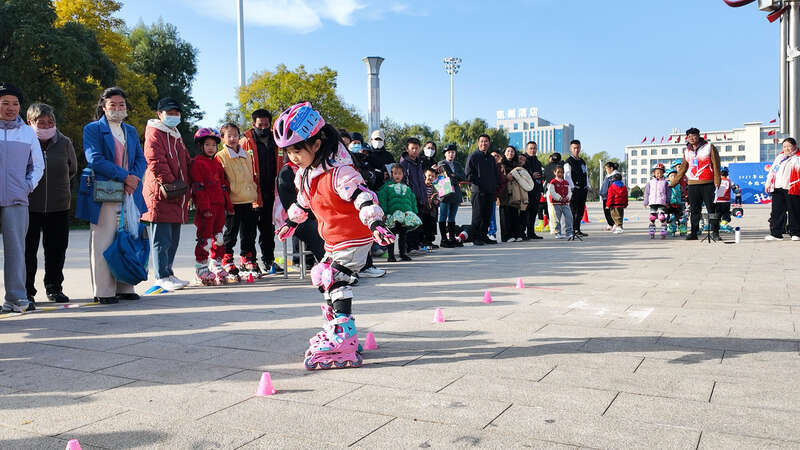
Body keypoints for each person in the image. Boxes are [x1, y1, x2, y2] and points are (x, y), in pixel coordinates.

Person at [274, 102, 394, 370]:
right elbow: (303, 203)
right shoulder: (305, 175)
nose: (293, 157)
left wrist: (376, 223)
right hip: (334, 239)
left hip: (354, 237)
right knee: (322, 277)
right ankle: (336, 328)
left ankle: (344, 338)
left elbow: (363, 197)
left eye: (297, 150)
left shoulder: (340, 173)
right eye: (288, 152)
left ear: (316, 144)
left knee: (335, 278)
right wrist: (290, 222)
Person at [76, 86, 147, 304]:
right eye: (112, 104)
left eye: (121, 104)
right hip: (105, 191)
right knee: (104, 240)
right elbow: (95, 159)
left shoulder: (131, 131)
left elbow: (141, 159)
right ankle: (104, 291)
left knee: (128, 237)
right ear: (104, 106)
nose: (117, 108)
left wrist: (134, 179)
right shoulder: (93, 129)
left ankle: (126, 286)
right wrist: (125, 177)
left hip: (130, 192)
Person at [24, 103, 77, 305]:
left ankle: (54, 288)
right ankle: (27, 290)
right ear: (30, 123)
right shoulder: (24, 141)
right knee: (28, 251)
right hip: (29, 206)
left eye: (50, 122)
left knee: (56, 250)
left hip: (58, 206)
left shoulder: (64, 142)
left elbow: (72, 169)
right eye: (41, 122)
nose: (46, 126)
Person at [0, 83, 43, 312]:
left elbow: (37, 165)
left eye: (15, 104)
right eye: (5, 103)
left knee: (16, 250)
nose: (10, 108)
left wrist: (26, 186)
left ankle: (15, 298)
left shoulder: (27, 133)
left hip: (16, 200)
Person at [141, 97, 191, 294]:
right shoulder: (155, 132)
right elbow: (155, 160)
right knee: (161, 240)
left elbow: (185, 159)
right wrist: (171, 183)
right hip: (163, 194)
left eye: (176, 113)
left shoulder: (175, 133)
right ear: (159, 114)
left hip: (177, 194)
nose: (173, 116)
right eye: (169, 113)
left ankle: (169, 273)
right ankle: (161, 276)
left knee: (173, 239)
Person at [241, 108, 284, 275]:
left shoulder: (277, 140)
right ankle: (249, 261)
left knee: (268, 229)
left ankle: (269, 260)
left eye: (266, 125)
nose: (263, 128)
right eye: (260, 125)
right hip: (251, 191)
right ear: (253, 124)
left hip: (271, 191)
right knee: (249, 229)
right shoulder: (245, 142)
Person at [190, 128, 233, 285]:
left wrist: (228, 205)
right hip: (206, 209)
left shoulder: (216, 164)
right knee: (205, 239)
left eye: (214, 145)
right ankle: (200, 269)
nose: (211, 148)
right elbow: (198, 189)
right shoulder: (197, 163)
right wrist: (205, 208)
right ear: (200, 146)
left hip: (219, 207)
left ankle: (216, 265)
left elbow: (223, 186)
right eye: (207, 144)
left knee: (219, 238)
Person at [216, 123, 259, 280]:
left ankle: (247, 257)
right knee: (231, 232)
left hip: (248, 199)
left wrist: (254, 193)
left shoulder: (246, 154)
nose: (233, 138)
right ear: (222, 138)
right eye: (229, 136)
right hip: (232, 201)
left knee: (249, 232)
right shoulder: (220, 156)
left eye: (236, 135)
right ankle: (226, 257)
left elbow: (251, 175)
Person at [671, 128, 722, 240]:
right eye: (689, 136)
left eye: (694, 135)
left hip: (708, 183)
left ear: (698, 136)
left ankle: (715, 232)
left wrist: (717, 181)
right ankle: (694, 233)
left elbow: (716, 165)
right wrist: (672, 183)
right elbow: (683, 168)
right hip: (693, 184)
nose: (691, 138)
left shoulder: (709, 147)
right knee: (694, 210)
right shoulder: (686, 151)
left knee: (712, 209)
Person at [276, 158, 325, 263]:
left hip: (318, 213)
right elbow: (290, 204)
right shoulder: (287, 172)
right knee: (315, 230)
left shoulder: (315, 167)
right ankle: (328, 264)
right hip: (296, 218)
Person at [378, 164, 421, 261]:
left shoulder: (407, 188)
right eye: (395, 173)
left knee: (403, 236)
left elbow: (412, 200)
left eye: (400, 173)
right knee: (391, 235)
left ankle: (403, 254)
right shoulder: (386, 188)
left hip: (404, 216)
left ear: (403, 175)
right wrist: (384, 213)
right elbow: (383, 200)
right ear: (391, 174)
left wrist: (414, 212)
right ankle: (391, 256)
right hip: (392, 216)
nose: (397, 175)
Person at [465, 134, 499, 245]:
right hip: (478, 191)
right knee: (477, 216)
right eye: (482, 141)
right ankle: (476, 238)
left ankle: (484, 236)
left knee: (487, 216)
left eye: (486, 141)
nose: (484, 143)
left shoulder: (491, 158)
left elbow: (495, 174)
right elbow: (468, 174)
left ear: (489, 143)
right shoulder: (473, 156)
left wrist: (494, 186)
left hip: (490, 191)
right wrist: (480, 183)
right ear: (478, 143)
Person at [764, 137, 800, 240]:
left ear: (794, 146)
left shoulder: (798, 157)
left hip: (792, 188)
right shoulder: (779, 157)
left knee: (794, 211)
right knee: (777, 211)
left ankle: (796, 233)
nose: (786, 148)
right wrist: (768, 183)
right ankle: (776, 233)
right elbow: (772, 171)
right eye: (784, 146)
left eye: (789, 146)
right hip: (777, 187)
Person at [400, 137, 428, 252]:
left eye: (417, 148)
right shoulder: (403, 164)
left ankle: (416, 245)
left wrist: (425, 197)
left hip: (420, 198)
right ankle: (409, 247)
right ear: (407, 149)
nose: (415, 151)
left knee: (418, 223)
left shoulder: (419, 163)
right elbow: (401, 182)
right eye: (412, 148)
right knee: (409, 224)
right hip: (409, 199)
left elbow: (422, 181)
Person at [437, 143, 465, 247]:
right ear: (445, 154)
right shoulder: (441, 164)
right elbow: (446, 176)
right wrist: (454, 176)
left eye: (453, 152)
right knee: (443, 216)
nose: (451, 154)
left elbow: (463, 177)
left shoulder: (457, 164)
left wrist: (453, 176)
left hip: (456, 192)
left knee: (452, 217)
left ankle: (452, 238)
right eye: (449, 152)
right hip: (445, 191)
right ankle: (444, 239)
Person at [498, 146, 528, 242]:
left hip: (515, 192)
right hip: (504, 192)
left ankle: (516, 234)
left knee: (514, 213)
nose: (510, 153)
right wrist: (506, 177)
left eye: (512, 151)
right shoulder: (500, 164)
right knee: (505, 214)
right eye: (508, 151)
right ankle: (506, 236)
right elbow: (497, 177)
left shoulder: (517, 165)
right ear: (504, 153)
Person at [564, 139, 589, 236]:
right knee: (573, 211)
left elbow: (585, 174)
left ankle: (577, 229)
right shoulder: (568, 161)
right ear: (571, 149)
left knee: (581, 210)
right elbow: (567, 176)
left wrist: (587, 185)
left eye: (578, 148)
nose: (576, 150)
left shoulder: (582, 161)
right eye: (574, 148)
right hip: (574, 190)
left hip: (583, 189)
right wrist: (572, 188)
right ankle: (572, 230)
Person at [521, 141, 544, 240]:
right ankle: (522, 233)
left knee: (534, 212)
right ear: (526, 149)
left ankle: (531, 232)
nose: (533, 150)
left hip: (536, 190)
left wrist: (541, 189)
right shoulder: (523, 160)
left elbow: (540, 176)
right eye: (531, 148)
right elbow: (521, 173)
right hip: (526, 190)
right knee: (525, 213)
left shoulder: (537, 161)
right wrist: (531, 175)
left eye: (534, 148)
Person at [643, 163, 669, 239]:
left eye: (661, 173)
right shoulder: (650, 183)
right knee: (652, 217)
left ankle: (663, 228)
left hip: (661, 202)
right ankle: (652, 230)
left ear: (663, 173)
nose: (659, 174)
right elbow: (647, 193)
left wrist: (667, 201)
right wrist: (645, 202)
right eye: (657, 173)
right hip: (652, 202)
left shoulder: (665, 182)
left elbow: (668, 193)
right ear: (653, 173)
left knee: (661, 217)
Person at [548, 165, 572, 239]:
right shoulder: (553, 182)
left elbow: (569, 192)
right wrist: (560, 198)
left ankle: (569, 233)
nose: (560, 174)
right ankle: (557, 233)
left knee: (569, 217)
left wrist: (567, 197)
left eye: (561, 172)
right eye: (558, 172)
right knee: (556, 219)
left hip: (565, 203)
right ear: (554, 172)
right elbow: (552, 192)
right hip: (556, 204)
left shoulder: (566, 182)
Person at [543, 152, 562, 235]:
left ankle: (553, 229)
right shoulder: (562, 166)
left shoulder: (547, 167)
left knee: (551, 211)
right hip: (561, 190)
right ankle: (561, 229)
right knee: (562, 211)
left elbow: (544, 178)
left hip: (550, 190)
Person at [421, 168, 441, 248]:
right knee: (424, 226)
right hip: (423, 210)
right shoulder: (421, 186)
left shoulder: (435, 187)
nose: (430, 178)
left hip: (432, 211)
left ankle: (429, 242)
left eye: (432, 176)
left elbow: (438, 198)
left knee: (431, 226)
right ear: (425, 175)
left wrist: (436, 201)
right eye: (429, 175)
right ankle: (423, 242)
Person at [665, 167, 687, 236]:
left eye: (675, 176)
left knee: (681, 217)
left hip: (678, 204)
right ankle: (672, 229)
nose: (674, 177)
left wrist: (684, 202)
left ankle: (682, 229)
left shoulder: (679, 185)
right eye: (672, 176)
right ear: (668, 178)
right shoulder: (666, 186)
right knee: (671, 218)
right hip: (670, 204)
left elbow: (682, 194)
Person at [599, 162, 619, 231]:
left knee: (612, 212)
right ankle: (610, 224)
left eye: (606, 168)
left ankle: (615, 224)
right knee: (606, 211)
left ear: (611, 168)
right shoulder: (607, 176)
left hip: (610, 197)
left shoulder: (615, 176)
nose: (606, 170)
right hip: (605, 197)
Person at [715, 167, 733, 232]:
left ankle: (717, 226)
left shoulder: (716, 180)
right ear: (727, 174)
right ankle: (722, 225)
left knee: (717, 215)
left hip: (717, 201)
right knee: (726, 215)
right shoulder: (729, 181)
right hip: (726, 201)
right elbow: (735, 190)